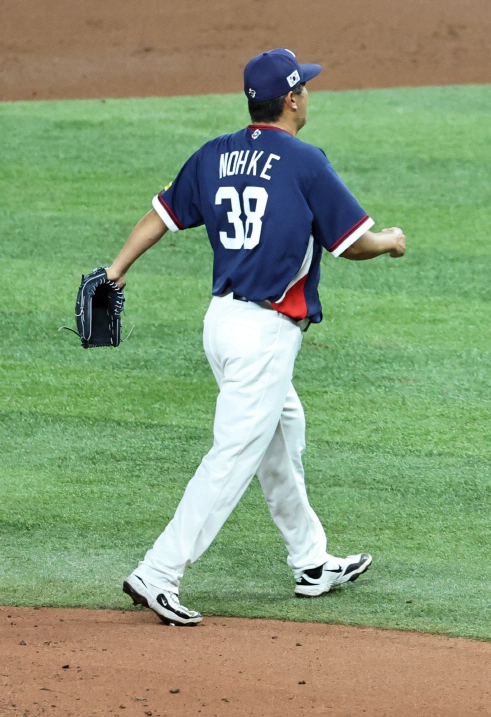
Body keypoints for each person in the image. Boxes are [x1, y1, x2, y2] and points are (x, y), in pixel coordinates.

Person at [108, 49, 406, 626]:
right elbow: (351, 243)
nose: (309, 96)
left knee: (282, 435)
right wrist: (390, 240)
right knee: (232, 458)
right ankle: (159, 572)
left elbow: (162, 215)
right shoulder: (305, 161)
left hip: (221, 325)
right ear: (292, 99)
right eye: (305, 88)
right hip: (264, 336)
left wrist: (117, 270)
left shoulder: (215, 153)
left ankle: (311, 561)